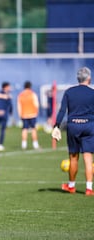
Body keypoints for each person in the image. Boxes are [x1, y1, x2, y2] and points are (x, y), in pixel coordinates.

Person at [51, 67, 94, 196]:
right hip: (89, 125)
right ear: (89, 78)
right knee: (88, 158)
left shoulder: (69, 92)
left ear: (78, 78)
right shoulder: (92, 93)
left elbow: (62, 110)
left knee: (73, 157)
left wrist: (56, 125)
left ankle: (71, 186)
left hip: (73, 125)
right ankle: (89, 188)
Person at [17, 81, 40, 150]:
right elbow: (36, 104)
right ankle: (35, 144)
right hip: (32, 114)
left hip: (24, 115)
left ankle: (24, 144)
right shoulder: (33, 94)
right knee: (33, 129)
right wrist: (36, 112)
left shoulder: (21, 95)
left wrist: (20, 115)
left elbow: (19, 106)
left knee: (24, 129)